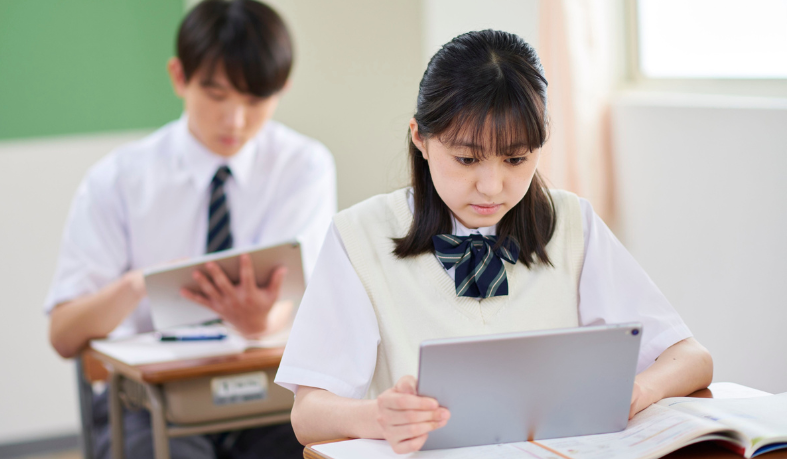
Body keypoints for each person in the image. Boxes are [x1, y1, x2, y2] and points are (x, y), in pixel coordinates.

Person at [274, 30, 713, 454]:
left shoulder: (572, 224)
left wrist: (634, 392)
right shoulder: (359, 235)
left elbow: (691, 358)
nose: (491, 186)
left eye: (516, 159)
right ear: (420, 139)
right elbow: (307, 414)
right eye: (466, 159)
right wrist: (377, 417)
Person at [44, 1, 335, 457]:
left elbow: (297, 297)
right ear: (179, 76)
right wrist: (139, 286)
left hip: (271, 391)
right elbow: (63, 335)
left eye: (256, 100)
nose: (235, 121)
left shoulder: (303, 166)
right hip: (146, 400)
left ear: (282, 88)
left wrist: (261, 321)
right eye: (216, 95)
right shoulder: (118, 179)